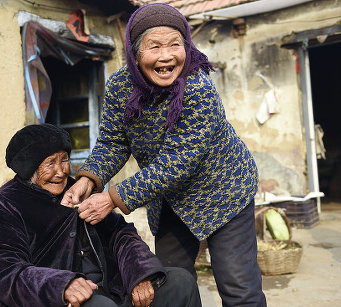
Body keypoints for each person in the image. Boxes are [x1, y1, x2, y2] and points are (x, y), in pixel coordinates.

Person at [61, 3, 267, 306]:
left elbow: (178, 161)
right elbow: (113, 142)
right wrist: (88, 180)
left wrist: (112, 199)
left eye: (175, 44)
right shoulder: (120, 86)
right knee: (170, 283)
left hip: (224, 193)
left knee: (238, 288)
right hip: (169, 200)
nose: (166, 56)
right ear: (134, 53)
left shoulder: (198, 88)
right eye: (153, 46)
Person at [0, 123, 201, 307]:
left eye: (64, 159)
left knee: (181, 283)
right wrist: (61, 286)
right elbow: (3, 269)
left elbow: (120, 234)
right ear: (30, 169)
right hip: (57, 300)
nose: (62, 171)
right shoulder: (7, 204)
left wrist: (140, 274)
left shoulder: (78, 189)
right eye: (50, 164)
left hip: (111, 289)